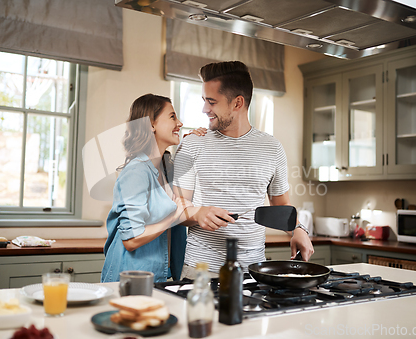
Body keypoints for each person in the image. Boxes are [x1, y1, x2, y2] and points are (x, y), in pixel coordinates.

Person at [173, 61, 314, 279]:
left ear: (237, 103)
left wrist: (298, 230)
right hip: (200, 271)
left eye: (211, 102)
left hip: (253, 272)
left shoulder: (272, 148)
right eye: (204, 101)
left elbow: (282, 206)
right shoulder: (192, 145)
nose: (204, 109)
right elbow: (177, 207)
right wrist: (197, 213)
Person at [101, 94, 192, 283]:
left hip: (161, 274)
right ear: (151, 124)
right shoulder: (136, 172)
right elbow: (131, 239)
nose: (180, 123)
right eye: (173, 117)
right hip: (130, 278)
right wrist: (172, 218)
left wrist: (194, 143)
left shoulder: (166, 167)